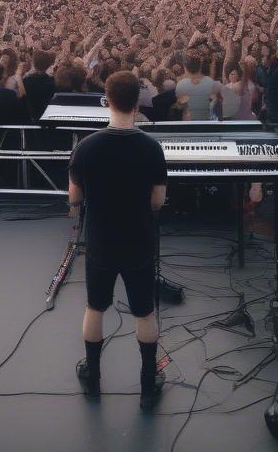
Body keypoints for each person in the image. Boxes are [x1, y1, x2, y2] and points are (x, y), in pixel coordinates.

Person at [68, 71, 168, 409]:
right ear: (137, 103)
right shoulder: (152, 148)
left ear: (106, 100)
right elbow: (158, 202)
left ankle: (92, 374)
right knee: (144, 311)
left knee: (95, 306)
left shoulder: (86, 148)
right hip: (139, 239)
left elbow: (74, 199)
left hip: (101, 240)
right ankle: (147, 383)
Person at [175, 52, 222, 121]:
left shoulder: (181, 84)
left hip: (191, 123)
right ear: (200, 66)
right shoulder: (209, 81)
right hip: (205, 121)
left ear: (185, 68)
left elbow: (179, 106)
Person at [22, 49, 57, 121]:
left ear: (34, 64)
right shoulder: (52, 81)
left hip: (30, 117)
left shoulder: (26, 81)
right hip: (47, 117)